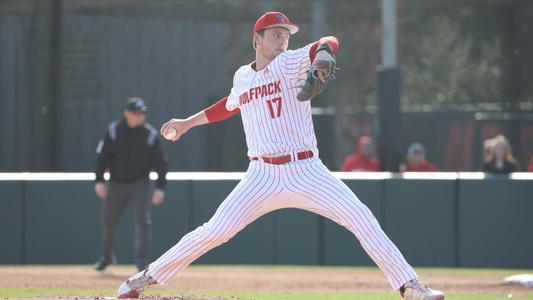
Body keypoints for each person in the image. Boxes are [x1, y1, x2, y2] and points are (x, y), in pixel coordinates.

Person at [116, 12, 444, 300]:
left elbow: (327, 41)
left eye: (286, 36)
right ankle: (147, 276)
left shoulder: (289, 63)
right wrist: (188, 123)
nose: (282, 41)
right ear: (256, 39)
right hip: (261, 175)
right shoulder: (243, 76)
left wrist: (325, 52)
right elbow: (229, 105)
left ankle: (409, 285)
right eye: (275, 35)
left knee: (360, 217)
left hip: (305, 169)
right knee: (214, 230)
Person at [94, 97, 168, 272]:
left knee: (143, 221)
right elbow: (102, 157)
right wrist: (99, 180)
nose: (139, 116)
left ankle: (142, 261)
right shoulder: (113, 131)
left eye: (142, 113)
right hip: (116, 183)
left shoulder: (150, 134)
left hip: (140, 184)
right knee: (108, 221)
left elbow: (161, 163)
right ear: (126, 113)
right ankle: (107, 257)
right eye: (135, 113)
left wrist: (160, 187)